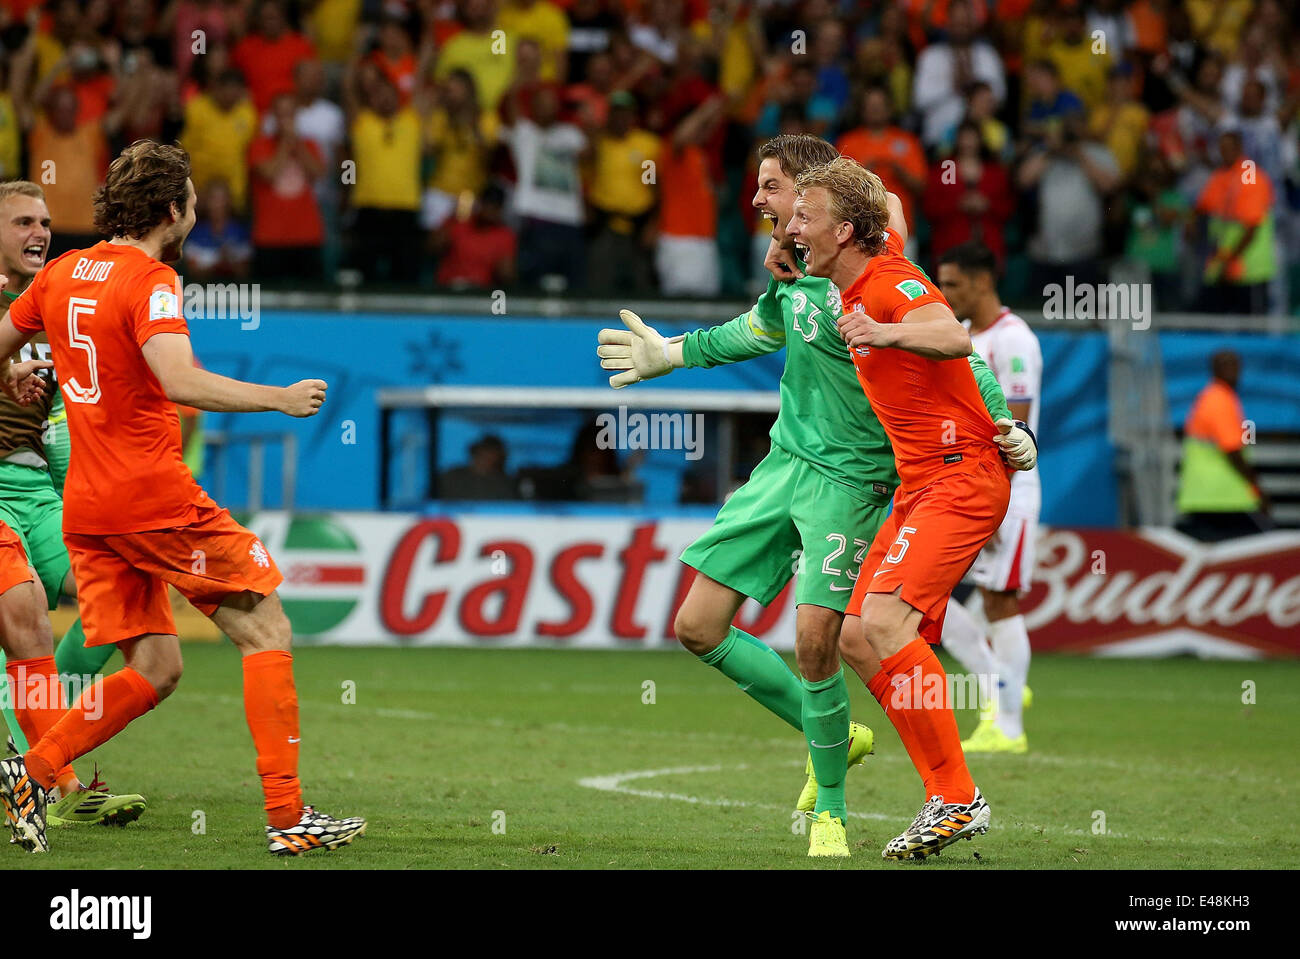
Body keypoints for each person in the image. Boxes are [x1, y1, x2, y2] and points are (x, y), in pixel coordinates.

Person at [596, 135, 1033, 859]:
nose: (763, 204)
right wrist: (671, 354)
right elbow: (760, 327)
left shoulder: (876, 273)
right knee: (733, 627)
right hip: (802, 464)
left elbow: (951, 342)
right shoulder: (803, 269)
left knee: (833, 638)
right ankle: (920, 776)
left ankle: (862, 805)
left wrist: (1007, 423)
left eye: (776, 191)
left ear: (824, 208)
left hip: (870, 477)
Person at [0, 139, 365, 855]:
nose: (195, 211)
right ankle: (288, 817)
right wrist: (278, 398)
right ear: (172, 210)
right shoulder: (152, 279)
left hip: (89, 508)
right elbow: (178, 379)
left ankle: (32, 772)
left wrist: (11, 372)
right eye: (192, 200)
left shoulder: (64, 272)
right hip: (152, 497)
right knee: (267, 627)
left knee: (157, 667)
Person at [787, 155, 1013, 861]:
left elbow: (953, 336)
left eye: (805, 218)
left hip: (960, 477)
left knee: (885, 622)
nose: (793, 228)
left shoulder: (889, 282)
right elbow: (881, 204)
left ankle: (957, 795)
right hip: (919, 484)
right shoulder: (851, 273)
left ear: (844, 232)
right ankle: (946, 790)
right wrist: (805, 214)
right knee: (857, 636)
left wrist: (885, 333)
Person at [0, 179, 146, 827]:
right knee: (23, 611)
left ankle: (45, 741)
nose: (39, 233)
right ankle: (56, 781)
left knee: (120, 595)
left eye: (44, 222)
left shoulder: (55, 304)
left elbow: (64, 413)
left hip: (41, 490)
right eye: (22, 222)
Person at [936, 242, 1042, 754]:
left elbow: (1015, 424)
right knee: (930, 597)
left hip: (1006, 490)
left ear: (982, 282)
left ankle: (1009, 726)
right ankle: (999, 688)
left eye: (953, 284)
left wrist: (996, 500)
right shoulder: (963, 335)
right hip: (964, 487)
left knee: (1001, 599)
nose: (944, 292)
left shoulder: (1013, 338)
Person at [1176, 350, 1270, 541]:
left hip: (1206, 494)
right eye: (1227, 365)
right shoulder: (1220, 399)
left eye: (1235, 365)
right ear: (1215, 369)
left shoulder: (1210, 397)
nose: (1233, 371)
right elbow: (1232, 450)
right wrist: (1256, 487)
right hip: (1224, 497)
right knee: (1259, 544)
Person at [440, 434, 516, 501]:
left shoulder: (503, 483)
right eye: (484, 453)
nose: (487, 458)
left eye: (492, 454)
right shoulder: (452, 476)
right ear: (475, 453)